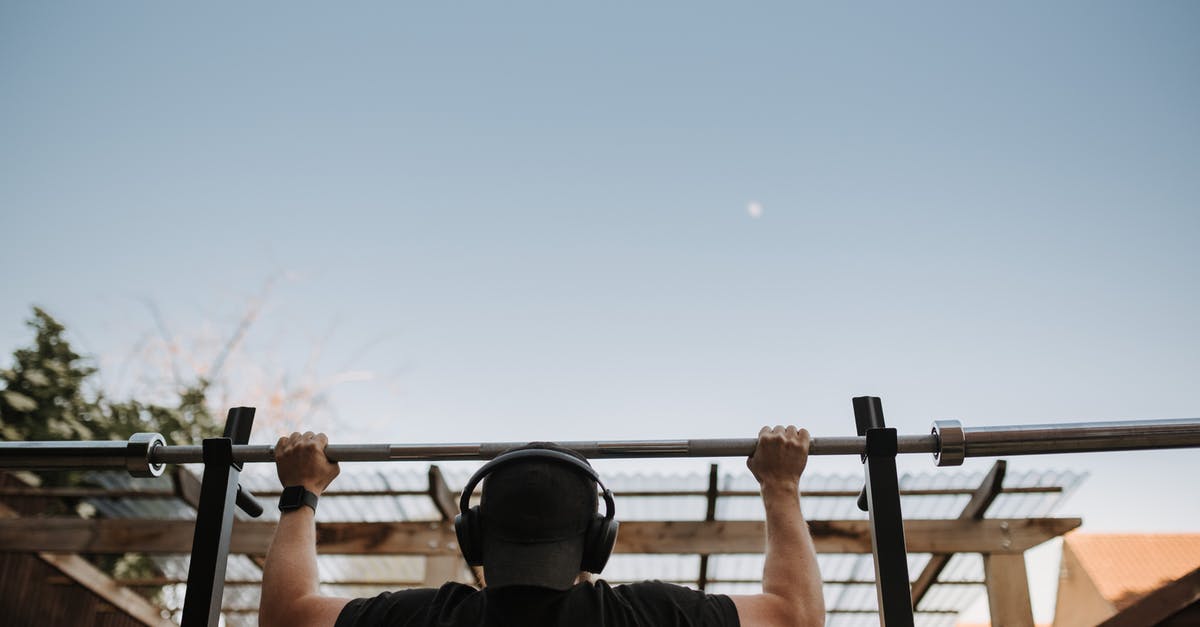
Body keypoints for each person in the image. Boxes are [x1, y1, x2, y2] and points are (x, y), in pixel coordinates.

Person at [260, 426, 824, 627]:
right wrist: (780, 486)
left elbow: (287, 615)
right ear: (597, 543)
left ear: (472, 537)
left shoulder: (429, 618)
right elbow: (795, 615)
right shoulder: (648, 616)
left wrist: (300, 493)